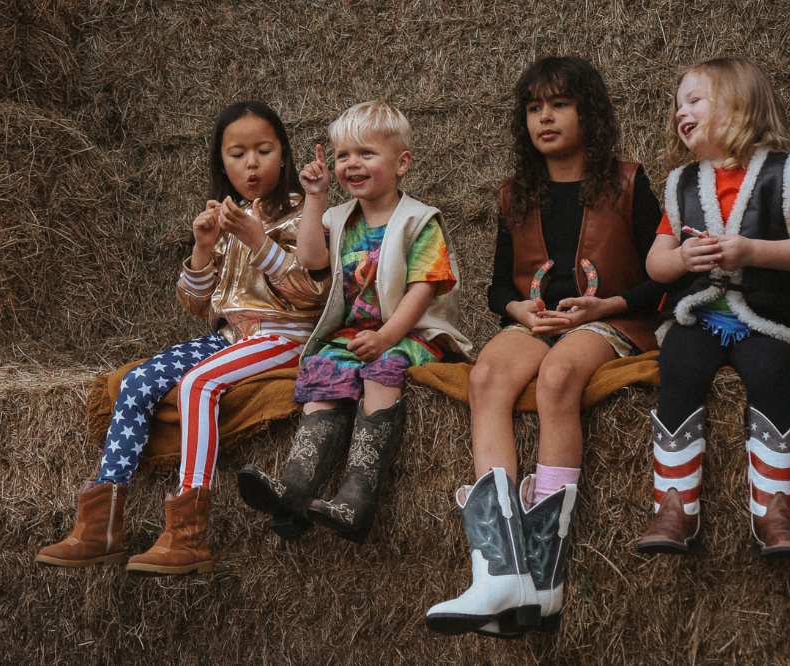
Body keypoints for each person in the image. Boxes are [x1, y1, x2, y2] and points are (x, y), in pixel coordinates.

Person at [35, 100, 330, 574]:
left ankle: (188, 535)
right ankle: (101, 526)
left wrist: (258, 240)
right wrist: (203, 247)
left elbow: (312, 293)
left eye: (263, 150)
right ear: (222, 163)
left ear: (284, 155)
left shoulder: (302, 215)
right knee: (133, 383)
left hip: (284, 336)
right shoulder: (231, 217)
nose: (251, 163)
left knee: (198, 386)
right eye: (237, 154)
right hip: (231, 336)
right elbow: (196, 304)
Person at [426, 56, 665, 637]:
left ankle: (546, 574)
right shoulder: (516, 194)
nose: (545, 118)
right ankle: (498, 571)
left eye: (559, 104)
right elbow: (497, 286)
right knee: (485, 376)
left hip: (616, 319)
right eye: (533, 109)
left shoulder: (629, 183)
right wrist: (517, 309)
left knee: (559, 377)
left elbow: (663, 274)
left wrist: (606, 306)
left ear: (591, 113)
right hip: (540, 321)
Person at [237, 100, 471, 544]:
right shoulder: (339, 216)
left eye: (366, 153)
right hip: (355, 334)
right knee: (326, 369)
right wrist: (316, 197)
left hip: (414, 333)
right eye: (343, 156)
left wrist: (386, 337)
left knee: (382, 372)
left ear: (401, 163)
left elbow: (423, 291)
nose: (352, 164)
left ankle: (357, 496)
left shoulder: (419, 221)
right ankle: (295, 485)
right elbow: (309, 259)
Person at [634, 57, 790, 560]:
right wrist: (680, 258)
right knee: (678, 366)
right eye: (678, 104)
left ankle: (776, 511)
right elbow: (655, 263)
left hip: (764, 318)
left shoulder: (784, 175)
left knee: (771, 373)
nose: (681, 111)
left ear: (740, 106)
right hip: (699, 316)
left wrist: (752, 251)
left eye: (695, 100)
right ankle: (674, 505)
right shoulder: (681, 184)